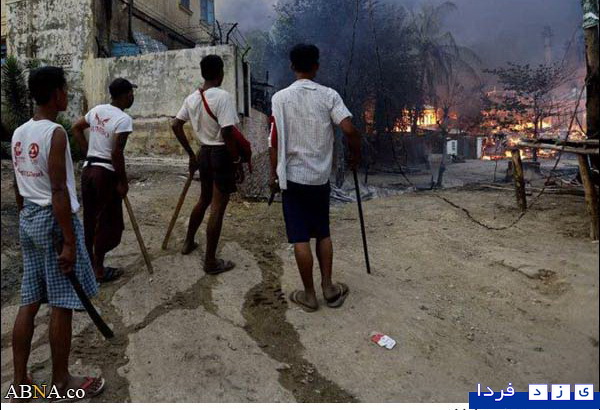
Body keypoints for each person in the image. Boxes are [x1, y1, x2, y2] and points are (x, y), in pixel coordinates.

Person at [10, 66, 104, 401]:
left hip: (29, 220)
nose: (67, 94)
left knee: (29, 301)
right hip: (53, 222)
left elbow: (17, 184)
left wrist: (26, 216)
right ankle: (61, 382)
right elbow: (58, 190)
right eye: (64, 89)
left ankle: (20, 383)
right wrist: (69, 241)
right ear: (55, 94)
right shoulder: (56, 133)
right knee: (62, 304)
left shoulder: (19, 132)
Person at [269, 44, 362, 312]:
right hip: (319, 178)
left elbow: (274, 141)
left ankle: (309, 295)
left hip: (292, 178)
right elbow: (349, 130)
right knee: (322, 232)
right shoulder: (329, 95)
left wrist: (273, 175)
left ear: (292, 66)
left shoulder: (280, 98)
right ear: (316, 66)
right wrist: (355, 155)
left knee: (300, 237)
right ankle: (329, 288)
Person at [172, 54, 244, 274]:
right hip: (221, 153)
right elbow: (228, 132)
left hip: (203, 153)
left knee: (204, 199)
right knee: (217, 207)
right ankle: (210, 262)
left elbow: (175, 125)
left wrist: (190, 154)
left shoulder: (192, 98)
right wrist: (236, 160)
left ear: (203, 73)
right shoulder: (223, 97)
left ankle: (188, 242)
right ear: (220, 73)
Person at [72, 78, 136, 283]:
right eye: (131, 93)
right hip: (105, 174)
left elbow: (76, 127)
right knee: (108, 222)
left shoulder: (98, 110)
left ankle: (90, 266)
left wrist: (88, 152)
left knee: (91, 220)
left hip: (89, 170)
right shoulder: (123, 119)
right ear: (125, 95)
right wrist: (123, 181)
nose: (133, 97)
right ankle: (98, 270)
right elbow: (117, 153)